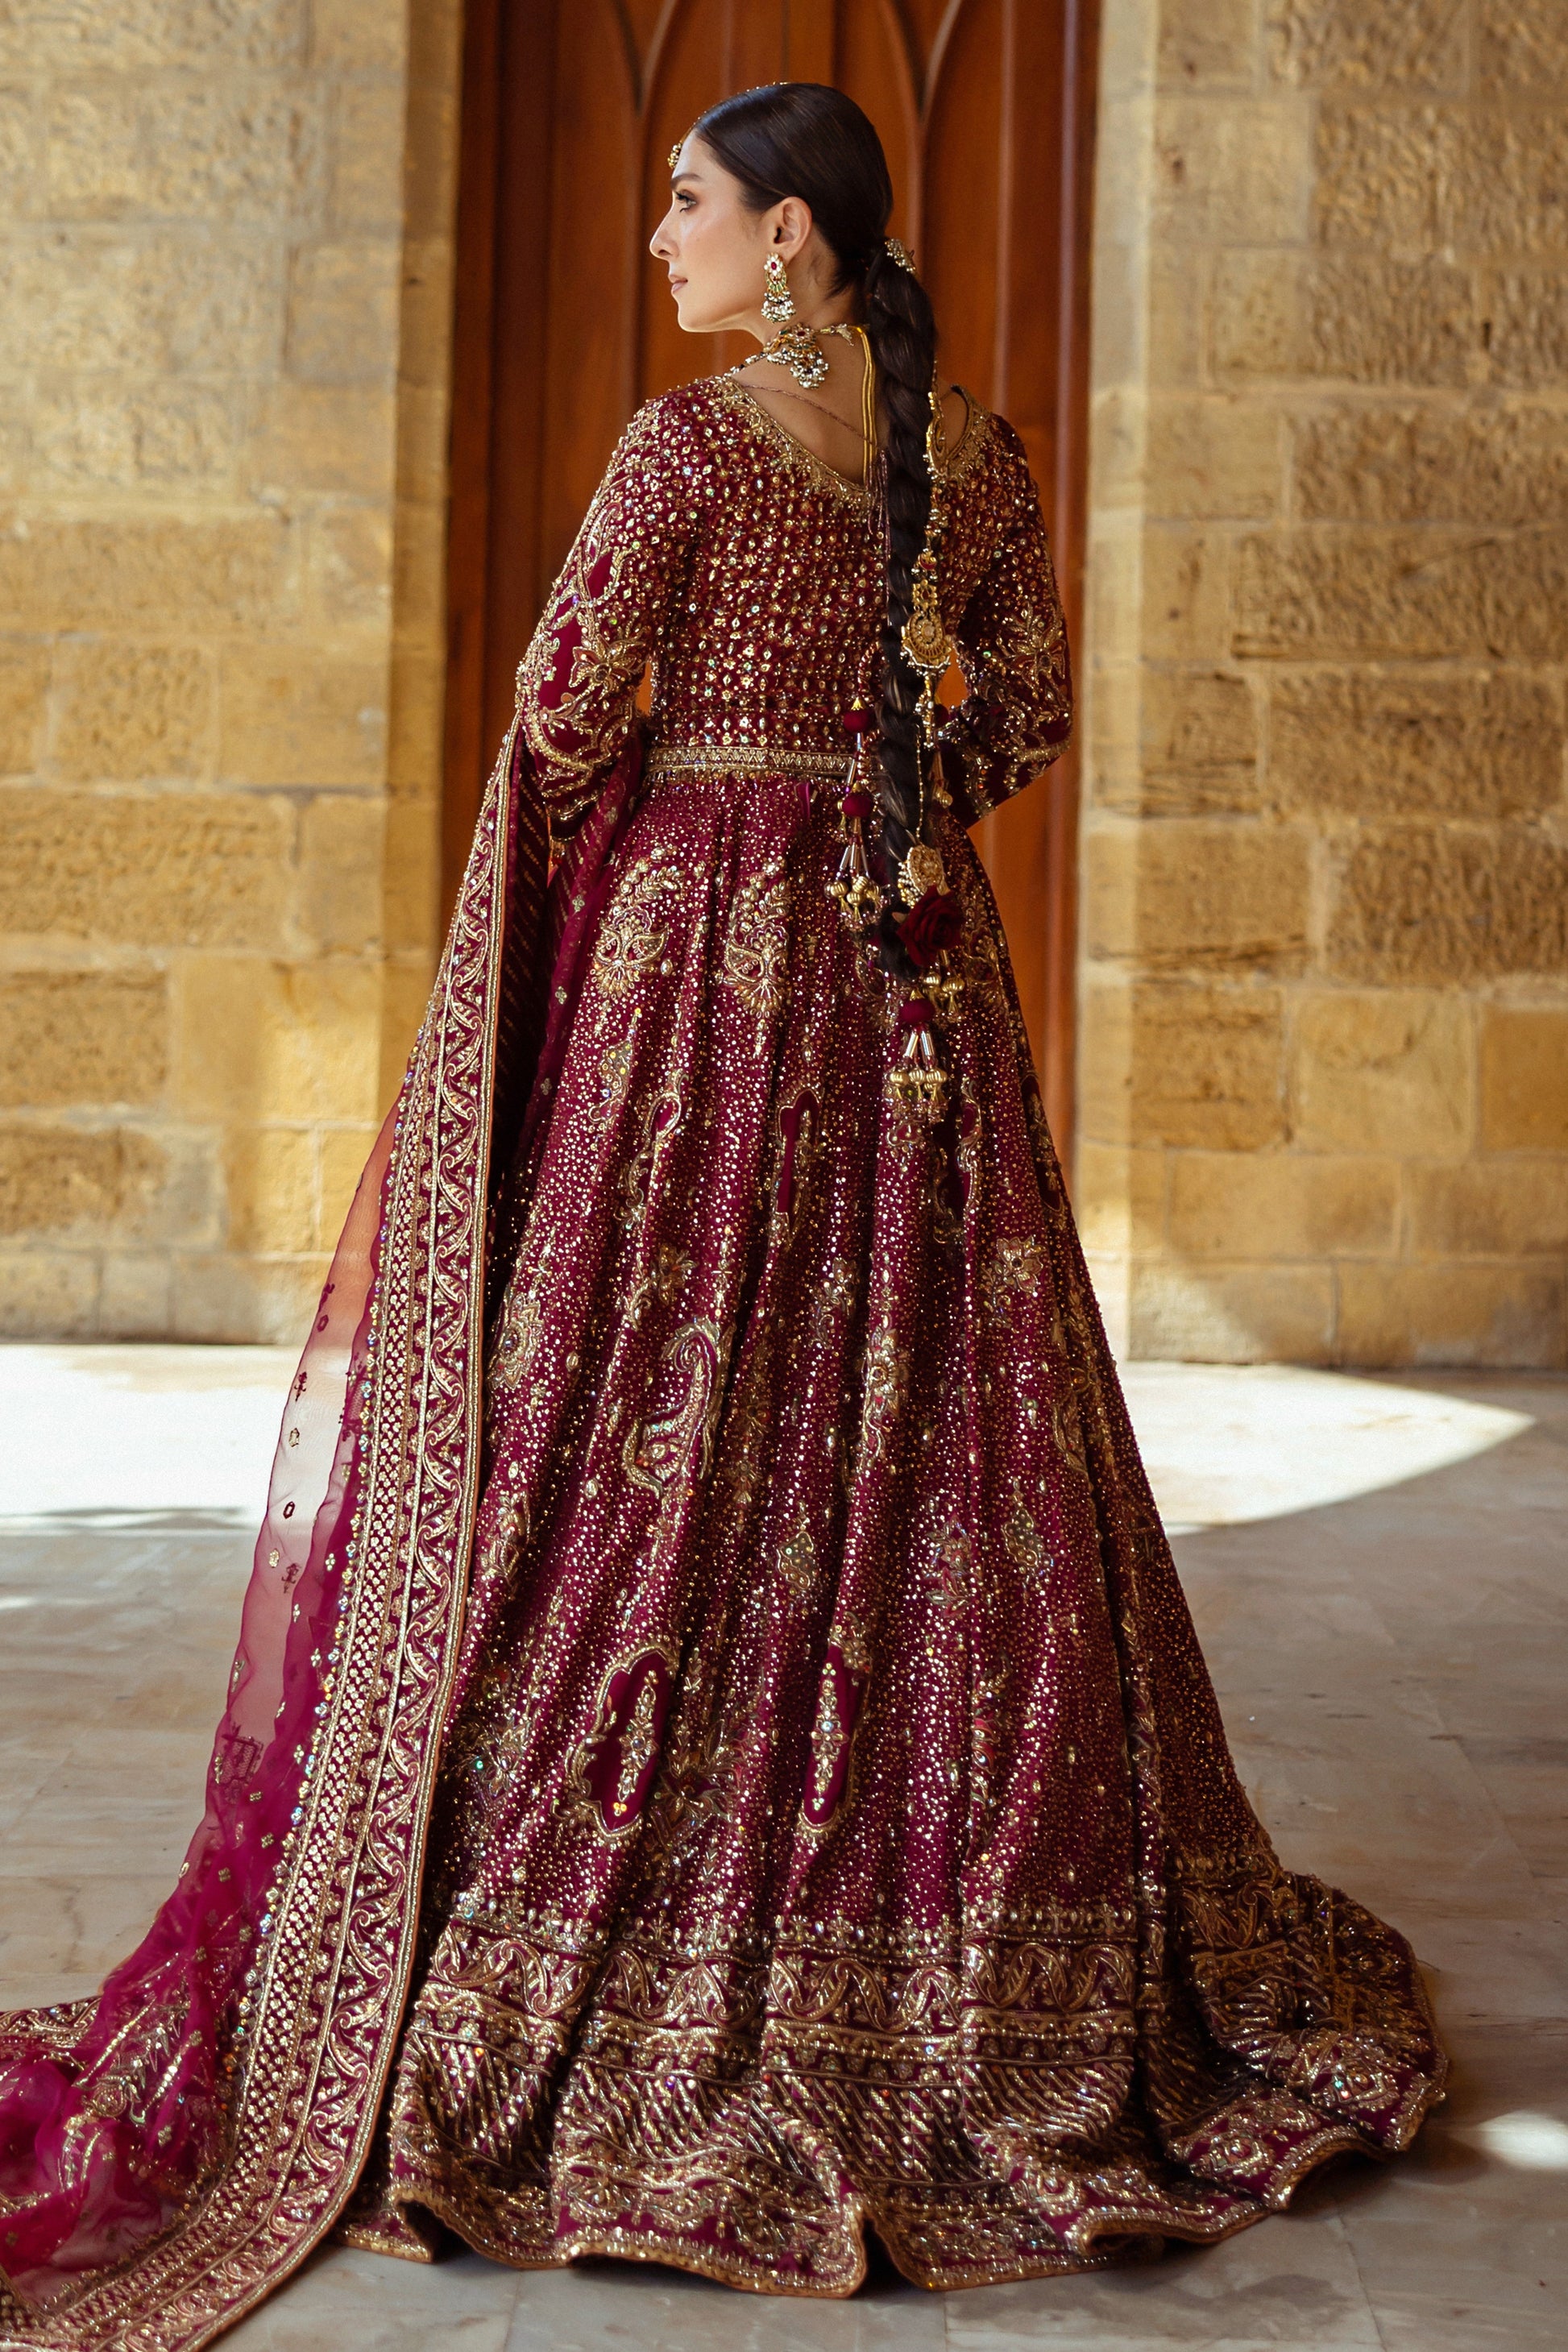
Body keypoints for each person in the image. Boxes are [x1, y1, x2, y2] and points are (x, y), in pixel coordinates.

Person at [0, 82, 1442, 2351]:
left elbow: (564, 707)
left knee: (642, 1429)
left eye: (688, 202)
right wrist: (909, 751)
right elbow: (1022, 710)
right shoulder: (969, 456)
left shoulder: (685, 454)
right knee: (932, 1435)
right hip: (906, 987)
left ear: (786, 238)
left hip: (697, 992)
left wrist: (571, 916)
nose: (659, 234)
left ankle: (585, 1937)